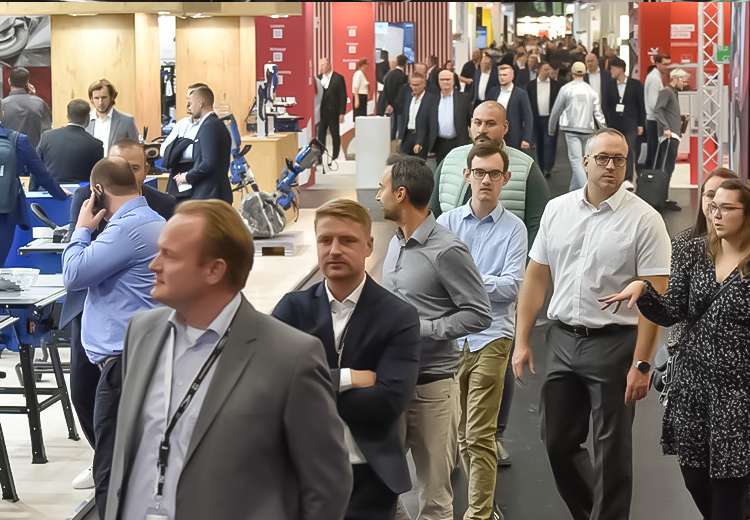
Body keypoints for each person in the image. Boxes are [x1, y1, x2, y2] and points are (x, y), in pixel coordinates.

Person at [105, 200, 352, 520]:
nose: (154, 265)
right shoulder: (142, 332)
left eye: (169, 255)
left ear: (214, 270)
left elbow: (328, 485)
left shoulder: (290, 358)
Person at [513, 128, 670, 520]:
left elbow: (655, 297)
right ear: (585, 162)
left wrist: (642, 363)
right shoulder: (557, 210)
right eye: (602, 158)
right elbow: (536, 277)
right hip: (562, 339)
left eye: (619, 159)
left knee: (612, 451)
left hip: (616, 344)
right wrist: (522, 339)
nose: (610, 166)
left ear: (627, 165)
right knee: (557, 442)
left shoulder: (645, 220)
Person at [600, 178, 750, 520]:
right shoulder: (692, 251)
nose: (716, 214)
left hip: (738, 394)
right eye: (713, 206)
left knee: (729, 486)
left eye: (727, 208)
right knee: (694, 476)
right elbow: (673, 311)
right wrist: (644, 290)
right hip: (692, 386)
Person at [273, 198, 421, 520]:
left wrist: (306, 390)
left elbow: (388, 402)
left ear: (369, 246)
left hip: (371, 477)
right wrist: (349, 378)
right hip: (303, 475)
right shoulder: (292, 309)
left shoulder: (399, 317)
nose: (335, 250)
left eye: (347, 241)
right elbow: (272, 387)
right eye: (325, 240)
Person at [377, 154, 492, 520]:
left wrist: (421, 329)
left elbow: (479, 312)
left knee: (435, 500)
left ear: (400, 194)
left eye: (381, 188)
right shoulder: (395, 241)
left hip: (432, 389)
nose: (377, 195)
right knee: (380, 487)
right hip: (391, 384)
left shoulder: (447, 249)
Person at [62, 140, 177, 491]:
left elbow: (74, 274)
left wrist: (82, 228)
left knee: (110, 476)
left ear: (97, 191)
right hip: (137, 354)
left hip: (122, 364)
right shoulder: (151, 219)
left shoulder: (126, 228)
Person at [436, 142, 527, 520]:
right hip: (451, 338)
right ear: (466, 176)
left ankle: (479, 513)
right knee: (460, 433)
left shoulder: (515, 229)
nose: (486, 180)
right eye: (479, 173)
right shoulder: (447, 223)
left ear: (505, 178)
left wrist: (464, 281)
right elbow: (435, 280)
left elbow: (512, 287)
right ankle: (483, 506)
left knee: (478, 433)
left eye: (493, 174)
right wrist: (480, 283)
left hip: (493, 335)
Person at [430, 101, 550, 250]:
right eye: (477, 123)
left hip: (504, 260)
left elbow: (537, 226)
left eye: (490, 124)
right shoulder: (450, 159)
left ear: (505, 127)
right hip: (450, 258)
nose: (482, 130)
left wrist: (526, 263)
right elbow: (431, 214)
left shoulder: (526, 168)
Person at [0, 119, 71, 267]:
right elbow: (41, 173)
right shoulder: (17, 140)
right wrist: (60, 193)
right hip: (5, 212)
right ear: (3, 114)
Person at [548, 61, 607, 192]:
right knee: (583, 161)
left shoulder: (566, 89)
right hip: (588, 129)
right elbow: (598, 113)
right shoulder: (591, 90)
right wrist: (604, 130)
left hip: (571, 128)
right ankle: (573, 191)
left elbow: (556, 110)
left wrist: (551, 127)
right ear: (585, 73)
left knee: (576, 161)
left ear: (572, 72)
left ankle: (588, 190)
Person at [172, 86, 232, 204]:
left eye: (191, 103)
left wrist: (187, 176)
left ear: (200, 103)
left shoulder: (209, 126)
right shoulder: (217, 124)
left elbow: (208, 163)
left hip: (209, 195)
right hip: (215, 194)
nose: (189, 107)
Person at [33, 98, 103, 190]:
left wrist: (32, 191)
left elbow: (35, 166)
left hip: (50, 192)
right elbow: (97, 177)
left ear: (67, 116)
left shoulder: (47, 137)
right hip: (80, 195)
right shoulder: (96, 145)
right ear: (88, 118)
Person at [159, 82, 209, 200]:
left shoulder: (210, 125)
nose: (187, 104)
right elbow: (164, 151)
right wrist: (189, 150)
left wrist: (177, 151)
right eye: (187, 99)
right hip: (177, 184)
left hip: (200, 184)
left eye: (191, 100)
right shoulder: (182, 124)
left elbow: (204, 156)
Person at [602, 57, 645, 191]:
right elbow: (605, 105)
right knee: (614, 150)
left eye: (613, 69)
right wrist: (605, 123)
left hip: (630, 122)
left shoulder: (635, 85)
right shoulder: (609, 85)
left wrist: (640, 124)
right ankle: (615, 176)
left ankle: (628, 178)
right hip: (614, 123)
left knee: (629, 149)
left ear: (620, 69)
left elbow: (641, 105)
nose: (611, 72)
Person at [654, 68, 690, 212]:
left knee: (668, 167)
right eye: (683, 81)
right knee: (666, 167)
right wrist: (666, 127)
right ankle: (660, 199)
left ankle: (664, 198)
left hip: (673, 134)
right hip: (669, 135)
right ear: (675, 78)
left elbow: (664, 111)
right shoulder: (667, 92)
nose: (685, 84)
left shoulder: (672, 92)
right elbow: (658, 110)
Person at [86, 78, 139, 156]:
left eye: (104, 97)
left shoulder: (127, 121)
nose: (100, 102)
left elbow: (136, 152)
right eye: (96, 98)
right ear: (91, 99)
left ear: (111, 97)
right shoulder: (84, 121)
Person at [1, 66, 51, 148]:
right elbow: (46, 129)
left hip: (9, 152)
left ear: (9, 81)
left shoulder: (2, 105)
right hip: (34, 152)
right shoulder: (39, 103)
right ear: (27, 82)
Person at [486, 65, 534, 151]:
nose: (501, 77)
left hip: (514, 136)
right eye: (500, 75)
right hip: (494, 134)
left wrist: (526, 138)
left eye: (505, 75)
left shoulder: (521, 94)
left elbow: (528, 117)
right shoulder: (493, 92)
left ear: (512, 76)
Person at [527, 61, 561, 179]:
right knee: (539, 143)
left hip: (550, 119)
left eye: (549, 69)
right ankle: (541, 167)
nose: (548, 72)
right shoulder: (531, 85)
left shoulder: (555, 85)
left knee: (549, 142)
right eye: (546, 69)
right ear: (539, 70)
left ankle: (548, 167)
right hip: (536, 118)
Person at [431, 69, 473, 166]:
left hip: (458, 142)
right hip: (440, 143)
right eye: (442, 79)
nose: (445, 82)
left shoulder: (464, 98)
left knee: (458, 169)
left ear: (453, 80)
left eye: (448, 79)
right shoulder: (432, 99)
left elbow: (471, 120)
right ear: (438, 81)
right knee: (441, 170)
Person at [397, 72, 437, 159]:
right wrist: (400, 136)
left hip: (421, 137)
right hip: (408, 135)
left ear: (424, 84)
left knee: (419, 163)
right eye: (412, 85)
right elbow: (403, 117)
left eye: (417, 85)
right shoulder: (408, 97)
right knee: (403, 161)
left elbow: (430, 122)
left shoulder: (431, 100)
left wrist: (421, 141)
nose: (414, 87)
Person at [317, 57, 348, 163]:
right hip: (322, 112)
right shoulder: (319, 79)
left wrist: (342, 112)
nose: (321, 67)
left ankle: (335, 156)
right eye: (320, 65)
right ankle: (320, 156)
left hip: (334, 112)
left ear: (329, 65)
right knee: (321, 134)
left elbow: (343, 96)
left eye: (323, 65)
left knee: (335, 134)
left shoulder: (338, 78)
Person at [644, 53, 671, 170]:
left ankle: (652, 175)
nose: (667, 67)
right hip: (654, 120)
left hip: (654, 119)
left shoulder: (655, 77)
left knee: (655, 152)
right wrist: (663, 118)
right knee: (655, 153)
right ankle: (652, 176)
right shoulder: (655, 79)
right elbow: (653, 103)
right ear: (657, 64)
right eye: (664, 64)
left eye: (668, 64)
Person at [383, 55, 409, 141]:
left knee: (392, 126)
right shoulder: (404, 76)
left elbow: (386, 89)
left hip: (390, 103)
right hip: (401, 104)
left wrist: (389, 103)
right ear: (405, 63)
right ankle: (399, 143)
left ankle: (391, 142)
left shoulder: (389, 74)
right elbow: (403, 92)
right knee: (401, 125)